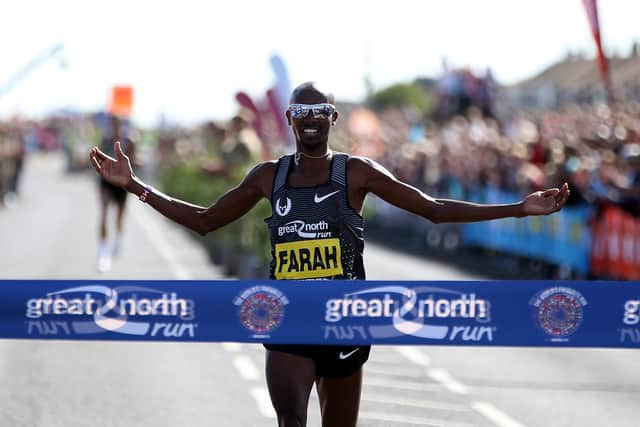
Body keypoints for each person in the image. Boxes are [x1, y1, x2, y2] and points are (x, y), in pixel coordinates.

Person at [90, 82, 570, 426]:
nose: (312, 121)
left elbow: (434, 210)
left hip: (345, 318)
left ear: (333, 119)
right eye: (302, 114)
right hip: (288, 318)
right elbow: (206, 220)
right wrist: (135, 186)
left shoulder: (356, 172)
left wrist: (518, 209)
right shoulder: (268, 176)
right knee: (291, 419)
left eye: (321, 113)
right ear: (291, 121)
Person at [96, 114, 136, 272]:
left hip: (123, 183)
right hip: (106, 182)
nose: (115, 126)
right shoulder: (105, 139)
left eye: (117, 123)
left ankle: (118, 238)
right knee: (104, 213)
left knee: (119, 216)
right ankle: (102, 252)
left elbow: (133, 161)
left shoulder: (130, 140)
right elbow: (99, 158)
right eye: (113, 123)